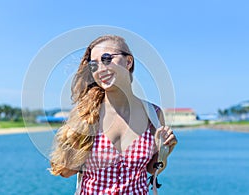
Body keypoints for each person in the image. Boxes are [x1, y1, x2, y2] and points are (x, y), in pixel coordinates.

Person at [50, 35, 177, 194]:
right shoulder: (85, 114)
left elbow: (152, 169)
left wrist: (165, 151)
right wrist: (75, 143)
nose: (101, 69)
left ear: (128, 62)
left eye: (107, 59)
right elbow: (65, 172)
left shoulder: (153, 114)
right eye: (94, 65)